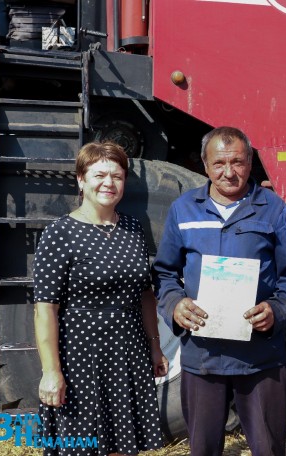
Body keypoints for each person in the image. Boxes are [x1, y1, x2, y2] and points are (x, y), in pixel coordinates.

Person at [152, 126, 286, 456]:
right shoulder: (184, 209)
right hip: (202, 358)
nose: (229, 172)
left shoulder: (273, 209)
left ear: (250, 162)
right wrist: (175, 306)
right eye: (219, 163)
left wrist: (277, 309)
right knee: (204, 448)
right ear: (205, 166)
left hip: (260, 357)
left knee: (267, 448)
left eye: (237, 162)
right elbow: (165, 273)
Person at [34, 141, 167, 455]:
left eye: (117, 176)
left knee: (123, 445)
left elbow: (145, 295)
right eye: (99, 175)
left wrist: (155, 347)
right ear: (81, 179)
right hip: (82, 358)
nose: (109, 183)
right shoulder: (59, 233)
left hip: (128, 354)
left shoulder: (134, 228)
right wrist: (51, 371)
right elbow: (45, 310)